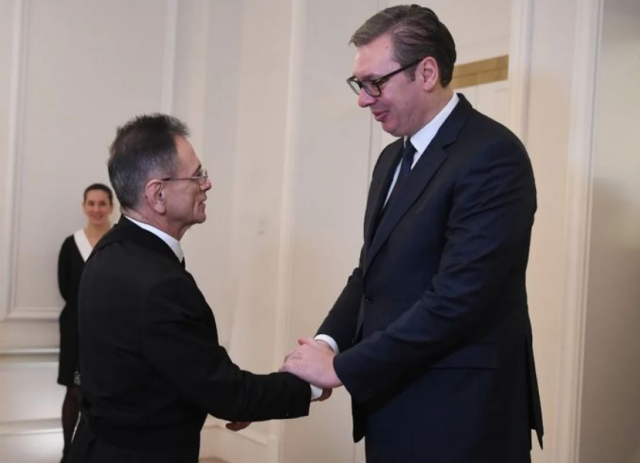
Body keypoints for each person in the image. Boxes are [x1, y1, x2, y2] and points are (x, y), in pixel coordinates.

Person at [282, 5, 544, 463]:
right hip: (394, 404)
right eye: (359, 84)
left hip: (462, 415)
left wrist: (342, 367)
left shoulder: (492, 155)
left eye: (375, 83)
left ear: (426, 72)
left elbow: (458, 300)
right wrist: (324, 346)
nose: (364, 100)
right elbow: (370, 274)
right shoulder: (392, 159)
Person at [68, 114, 315, 463]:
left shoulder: (109, 251)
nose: (207, 184)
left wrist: (223, 394)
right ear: (158, 194)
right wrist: (309, 384)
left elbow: (166, 365)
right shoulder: (160, 283)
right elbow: (228, 394)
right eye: (197, 174)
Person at [57, 183, 113, 462]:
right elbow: (65, 287)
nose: (96, 209)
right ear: (84, 206)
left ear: (111, 207)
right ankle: (69, 453)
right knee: (75, 390)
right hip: (76, 329)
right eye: (91, 203)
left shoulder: (119, 242)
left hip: (113, 330)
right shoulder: (71, 244)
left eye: (102, 203)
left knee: (106, 391)